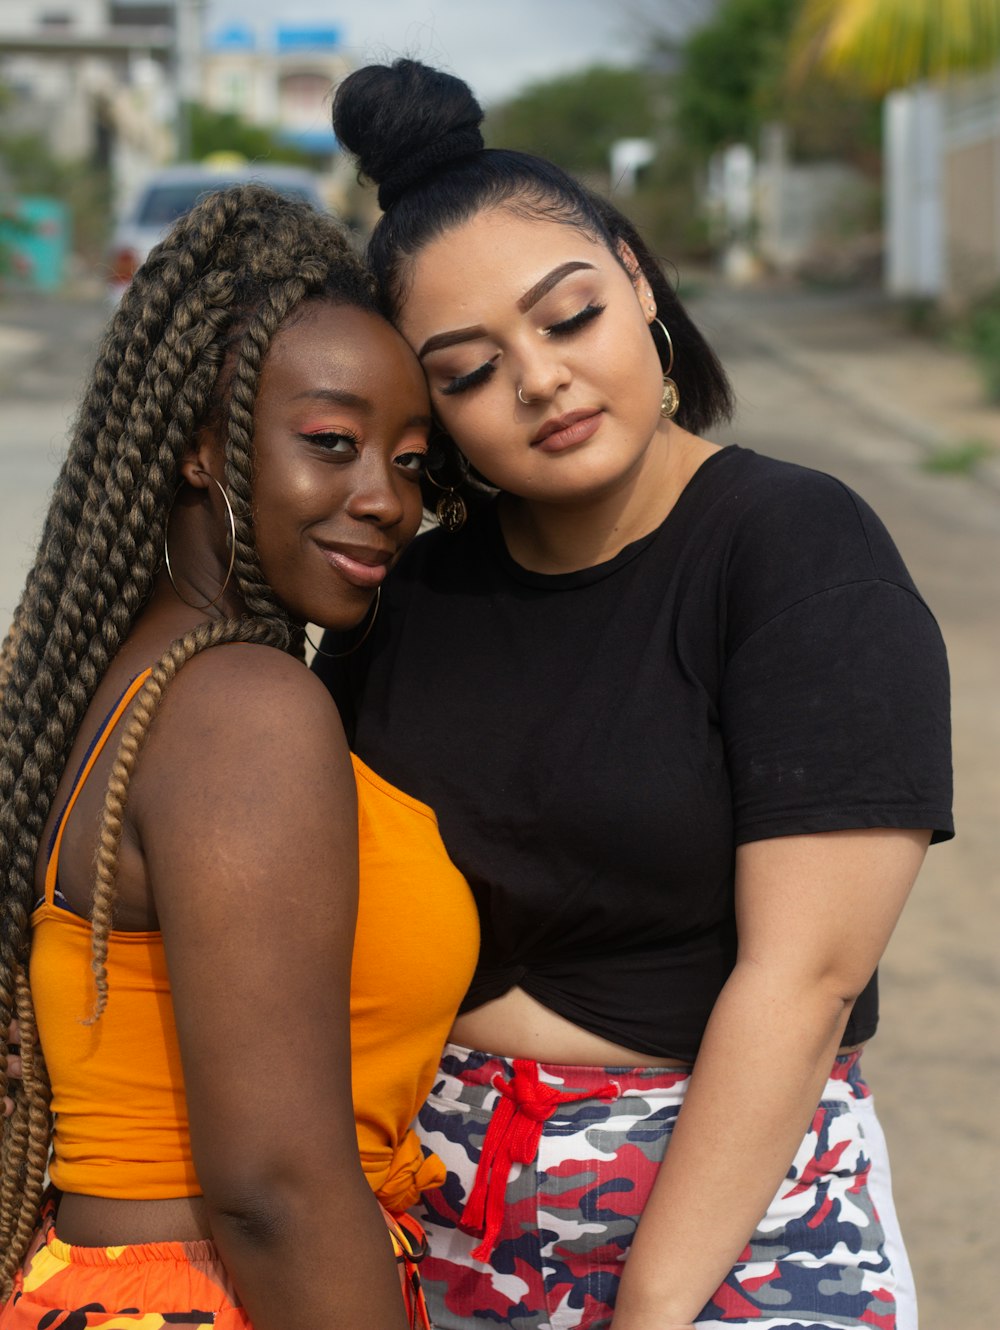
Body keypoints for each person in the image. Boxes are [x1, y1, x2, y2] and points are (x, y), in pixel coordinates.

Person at [317, 60, 954, 1330]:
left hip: (729, 1218)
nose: (541, 379)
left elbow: (806, 975)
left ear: (636, 278)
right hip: (436, 1206)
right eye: (469, 369)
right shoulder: (411, 602)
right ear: (429, 409)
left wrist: (654, 1302)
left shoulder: (789, 549)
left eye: (568, 317)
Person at [0, 183, 478, 1330]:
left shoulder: (112, 681)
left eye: (410, 462)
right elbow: (272, 1188)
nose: (383, 501)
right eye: (332, 444)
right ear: (203, 447)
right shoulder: (245, 709)